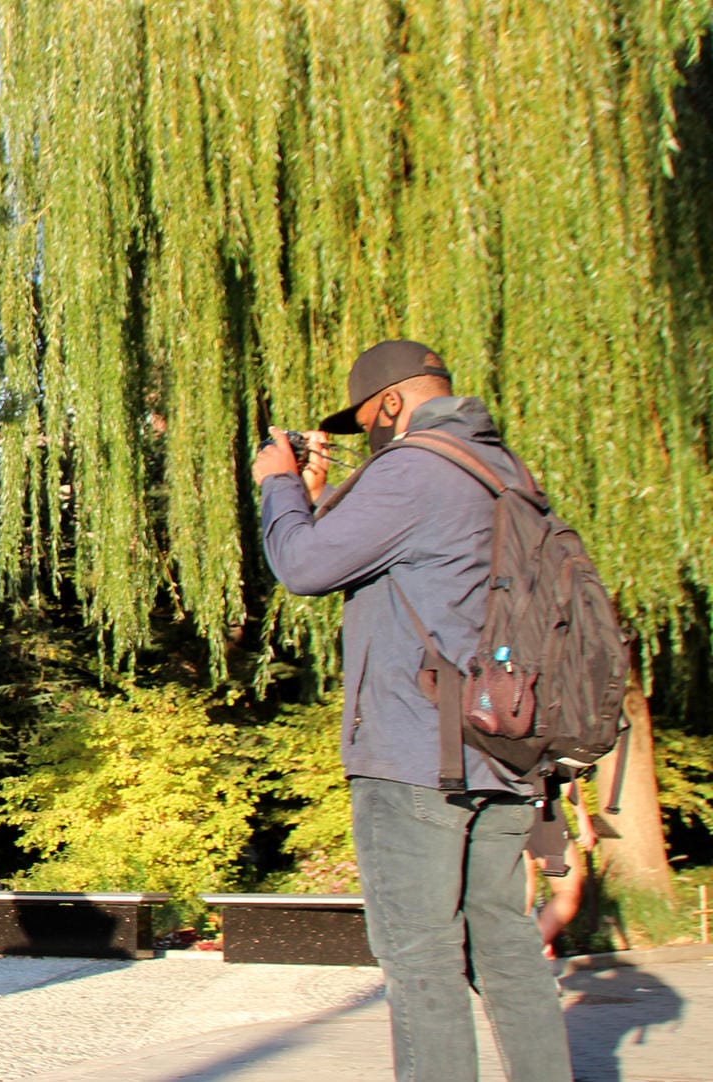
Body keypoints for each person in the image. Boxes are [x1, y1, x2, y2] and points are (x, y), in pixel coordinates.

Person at [253, 340, 571, 1081]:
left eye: (368, 419)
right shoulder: (503, 472)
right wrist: (319, 494)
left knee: (419, 954)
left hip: (415, 752)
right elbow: (404, 565)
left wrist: (278, 487)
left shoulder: (411, 468)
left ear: (392, 403)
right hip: (505, 746)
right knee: (504, 941)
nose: (368, 433)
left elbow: (304, 567)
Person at [528, 776, 598, 958]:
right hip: (541, 810)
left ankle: (510, 962)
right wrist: (582, 817)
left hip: (495, 807)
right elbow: (564, 771)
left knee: (519, 898)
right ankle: (527, 956)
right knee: (567, 892)